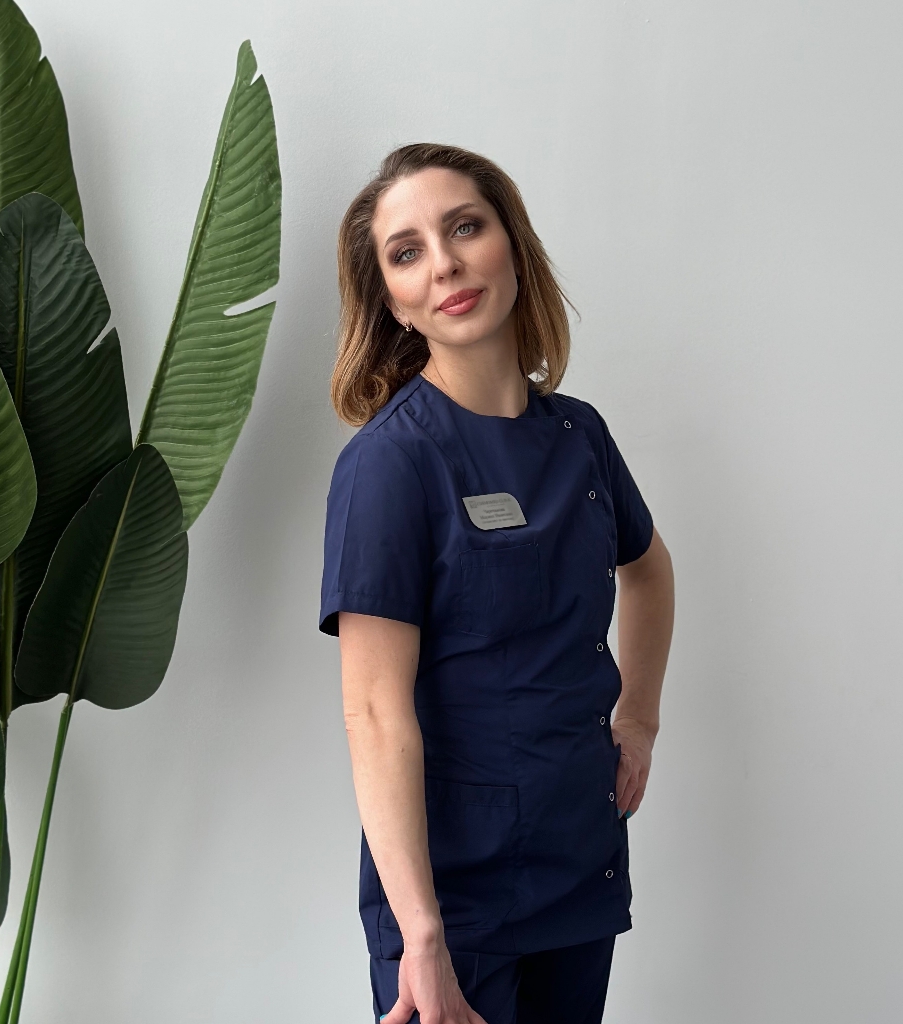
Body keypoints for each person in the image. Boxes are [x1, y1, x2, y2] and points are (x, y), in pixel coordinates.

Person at [320, 143, 674, 1024]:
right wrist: (421, 933)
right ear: (393, 301)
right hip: (454, 904)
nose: (444, 264)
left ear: (511, 244)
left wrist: (638, 719)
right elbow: (374, 713)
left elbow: (649, 570)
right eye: (407, 252)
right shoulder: (390, 464)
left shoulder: (581, 437)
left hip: (577, 862)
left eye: (464, 228)